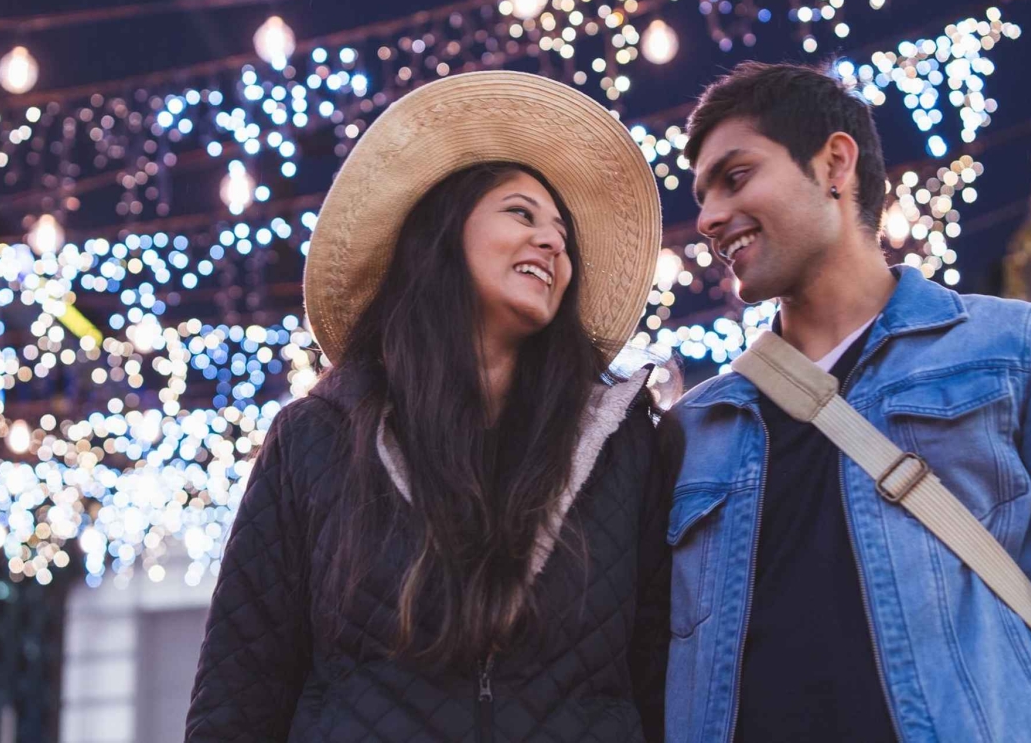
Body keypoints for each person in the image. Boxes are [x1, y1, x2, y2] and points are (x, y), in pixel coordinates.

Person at [666, 61, 1031, 742]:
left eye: (735, 177)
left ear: (835, 164)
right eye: (703, 195)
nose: (707, 218)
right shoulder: (692, 430)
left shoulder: (1014, 348)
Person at [185, 70, 677, 742]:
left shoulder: (625, 447)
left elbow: (661, 679)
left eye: (562, 231)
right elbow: (239, 693)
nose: (553, 241)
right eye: (521, 213)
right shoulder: (314, 439)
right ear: (444, 233)